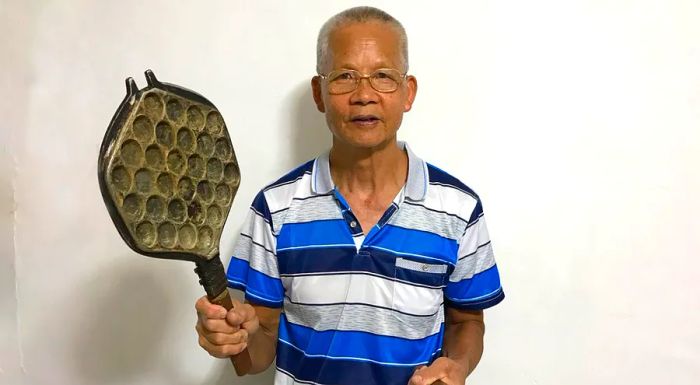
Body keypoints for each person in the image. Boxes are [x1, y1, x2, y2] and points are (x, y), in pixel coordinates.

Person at [195, 6, 504, 385]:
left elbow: (468, 320)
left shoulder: (458, 209)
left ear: (407, 93)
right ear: (319, 93)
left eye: (383, 77)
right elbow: (255, 355)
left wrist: (456, 365)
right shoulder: (274, 209)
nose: (364, 95)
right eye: (344, 76)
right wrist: (234, 339)